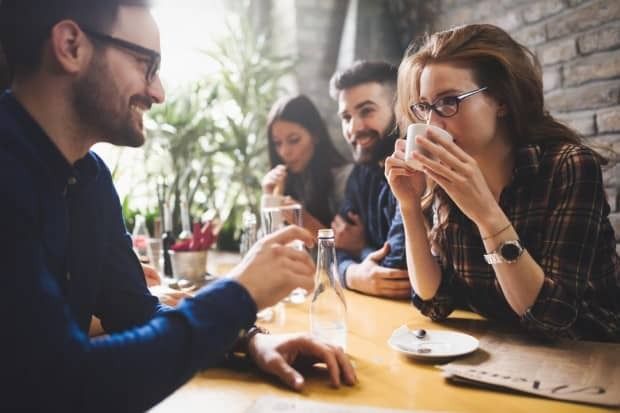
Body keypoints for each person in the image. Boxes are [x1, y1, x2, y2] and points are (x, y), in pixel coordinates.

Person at [0, 1, 356, 411]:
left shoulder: (90, 179)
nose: (158, 92)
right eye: (145, 64)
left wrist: (249, 339)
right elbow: (64, 384)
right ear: (70, 46)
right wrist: (239, 293)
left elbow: (134, 310)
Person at [385, 23, 620, 341]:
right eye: (425, 106)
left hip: (588, 359)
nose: (432, 122)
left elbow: (553, 318)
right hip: (502, 355)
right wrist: (410, 206)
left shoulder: (567, 167)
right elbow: (435, 300)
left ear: (502, 100)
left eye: (449, 101)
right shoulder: (450, 177)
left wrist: (486, 214)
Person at [329, 61, 411, 299]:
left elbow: (395, 274)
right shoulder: (361, 174)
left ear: (400, 108)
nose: (353, 128)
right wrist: (352, 274)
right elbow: (334, 250)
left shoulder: (412, 171)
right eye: (346, 117)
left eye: (366, 111)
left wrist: (359, 249)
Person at [262, 94, 352, 235]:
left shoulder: (344, 179)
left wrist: (305, 221)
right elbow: (270, 244)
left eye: (294, 140)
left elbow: (351, 248)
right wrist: (270, 197)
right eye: (277, 143)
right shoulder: (285, 182)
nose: (284, 152)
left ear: (315, 135)